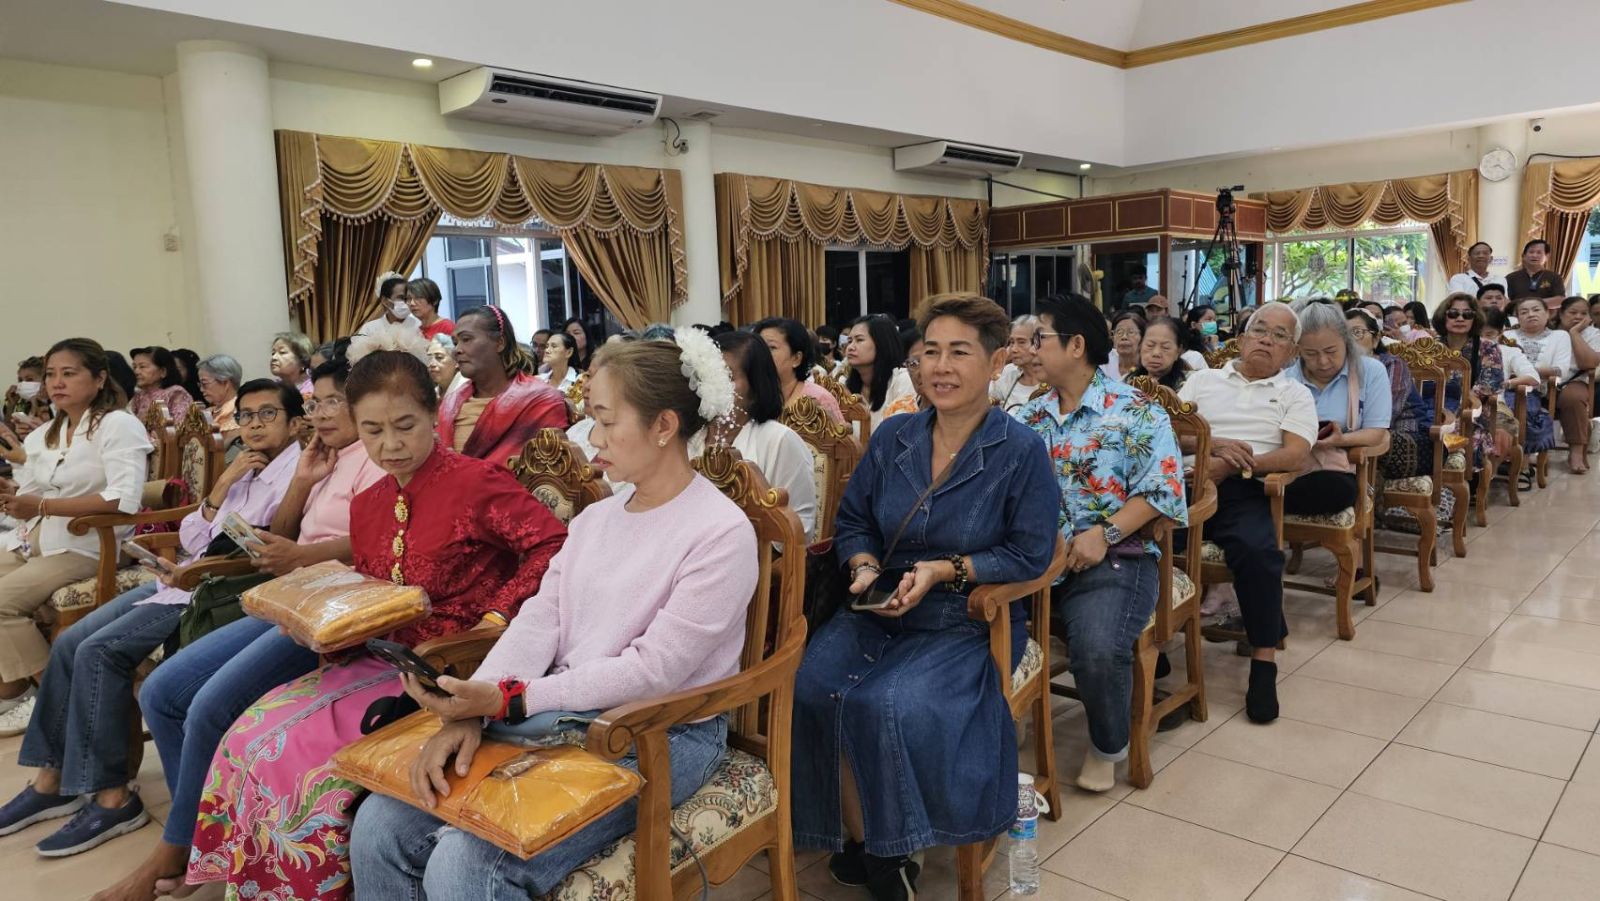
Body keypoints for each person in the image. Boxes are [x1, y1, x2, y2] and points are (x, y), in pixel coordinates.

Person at [349, 333, 756, 899]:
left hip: (659, 732)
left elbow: (654, 672)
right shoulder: (596, 519)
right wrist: (473, 709)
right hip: (560, 716)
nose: (593, 439)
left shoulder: (721, 533)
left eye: (606, 421)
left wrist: (511, 701)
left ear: (664, 425)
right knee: (379, 826)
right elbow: (541, 619)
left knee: (469, 865)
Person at [182, 340, 568, 901]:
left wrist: (497, 614)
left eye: (405, 426)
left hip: (456, 668)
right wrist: (322, 621)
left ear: (434, 414)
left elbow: (553, 545)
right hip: (379, 659)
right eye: (372, 431)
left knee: (296, 762)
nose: (390, 445)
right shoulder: (370, 504)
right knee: (246, 737)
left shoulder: (476, 483)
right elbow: (373, 589)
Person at [88, 344, 387, 901]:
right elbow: (284, 535)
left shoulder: (377, 456)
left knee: (207, 705)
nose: (322, 414)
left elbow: (375, 544)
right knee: (162, 691)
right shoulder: (321, 455)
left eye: (334, 402)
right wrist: (303, 480)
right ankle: (199, 835)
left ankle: (179, 848)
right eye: (317, 403)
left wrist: (299, 555)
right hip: (288, 594)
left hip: (334, 607)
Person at [792, 293, 1058, 900]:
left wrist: (945, 570)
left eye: (959, 352)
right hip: (879, 604)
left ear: (995, 363)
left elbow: (1032, 553)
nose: (940, 367)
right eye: (929, 352)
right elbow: (855, 520)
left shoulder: (1019, 450)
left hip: (964, 616)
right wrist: (864, 566)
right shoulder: (895, 437)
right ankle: (871, 841)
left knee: (887, 701)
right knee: (812, 687)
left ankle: (889, 850)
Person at [0, 379, 302, 851]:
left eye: (268, 414)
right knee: (68, 642)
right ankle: (52, 779)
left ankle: (113, 797)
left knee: (100, 651)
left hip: (213, 589)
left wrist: (192, 567)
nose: (254, 425)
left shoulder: (296, 472)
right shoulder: (245, 467)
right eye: (246, 416)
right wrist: (224, 483)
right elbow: (193, 535)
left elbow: (256, 547)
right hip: (180, 577)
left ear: (295, 422)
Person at [1017, 294, 1186, 792]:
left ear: (1075, 345)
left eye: (1040, 338)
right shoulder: (1029, 417)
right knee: (968, 615)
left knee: (1095, 648)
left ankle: (1107, 744)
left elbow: (1162, 490)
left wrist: (1104, 533)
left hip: (1115, 556)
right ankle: (1012, 710)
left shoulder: (1135, 411)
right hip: (1039, 558)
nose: (1029, 349)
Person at [1178, 303, 1318, 723]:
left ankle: (1263, 663)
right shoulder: (1202, 379)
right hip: (1184, 484)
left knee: (1258, 553)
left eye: (1279, 336)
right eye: (1259, 330)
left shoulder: (1294, 393)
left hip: (1246, 487)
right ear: (1241, 338)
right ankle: (1151, 647)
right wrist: (1215, 445)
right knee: (1139, 540)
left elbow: (1295, 454)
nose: (1266, 340)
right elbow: (1170, 430)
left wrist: (1235, 465)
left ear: (1291, 353)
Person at [0, 340, 151, 723]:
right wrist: (13, 495)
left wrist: (42, 507)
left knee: (1, 603)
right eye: (51, 374)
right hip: (41, 537)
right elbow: (37, 491)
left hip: (89, 544)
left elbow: (123, 499)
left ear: (99, 379)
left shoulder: (117, 425)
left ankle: (58, 703)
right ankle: (19, 690)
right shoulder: (48, 433)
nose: (56, 382)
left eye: (69, 373)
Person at [691, 330, 817, 540]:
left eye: (728, 377)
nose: (715, 385)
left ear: (756, 386)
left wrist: (760, 499)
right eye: (710, 375)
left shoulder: (779, 440)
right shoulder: (688, 437)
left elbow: (800, 531)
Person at [1285, 299, 1393, 509]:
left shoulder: (1371, 371)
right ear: (1298, 349)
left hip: (1339, 469)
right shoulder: (1287, 379)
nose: (1323, 361)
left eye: (1331, 351)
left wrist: (1340, 439)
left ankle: (1264, 503)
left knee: (1335, 488)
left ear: (1346, 341)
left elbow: (1376, 432)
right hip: (1292, 465)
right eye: (1311, 354)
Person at [438, 306, 568, 467]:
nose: (456, 350)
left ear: (500, 343)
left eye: (466, 339)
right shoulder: (450, 403)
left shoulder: (541, 401)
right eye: (455, 343)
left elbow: (548, 473)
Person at [1349, 309, 1431, 480]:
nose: (1349, 340)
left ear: (1376, 339)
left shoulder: (1392, 364)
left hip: (1406, 438)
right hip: (1359, 435)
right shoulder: (1338, 369)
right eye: (1343, 334)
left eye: (1357, 333)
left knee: (1372, 440)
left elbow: (1386, 415)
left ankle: (1365, 487)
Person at [1433, 293, 1513, 467]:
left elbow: (1489, 384)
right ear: (1443, 317)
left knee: (1452, 431)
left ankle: (1455, 474)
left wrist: (1458, 403)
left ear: (1474, 319)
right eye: (1453, 313)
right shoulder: (1432, 346)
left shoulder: (1487, 346)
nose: (1460, 318)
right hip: (1433, 405)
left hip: (1471, 409)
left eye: (1467, 314)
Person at [1507, 295, 1582, 472]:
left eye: (1536, 310)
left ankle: (1521, 464)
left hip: (1538, 390)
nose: (1530, 314)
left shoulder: (1559, 336)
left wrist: (1526, 373)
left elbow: (1560, 370)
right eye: (1524, 312)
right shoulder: (1507, 335)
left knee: (1523, 406)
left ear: (1548, 314)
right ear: (1517, 317)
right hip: (1507, 386)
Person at [751, 317, 844, 423]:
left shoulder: (819, 398)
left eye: (772, 347)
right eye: (759, 347)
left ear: (796, 358)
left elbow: (840, 433)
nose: (761, 353)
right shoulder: (748, 396)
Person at [844, 315, 913, 428]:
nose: (850, 347)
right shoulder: (844, 385)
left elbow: (900, 431)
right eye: (849, 341)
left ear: (881, 343)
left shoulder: (902, 380)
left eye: (859, 340)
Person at [991, 315, 1048, 412]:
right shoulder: (1008, 373)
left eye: (1021, 342)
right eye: (1012, 342)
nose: (1014, 349)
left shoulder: (1053, 381)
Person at [128, 346, 194, 423]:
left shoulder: (176, 393)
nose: (136, 372)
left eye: (142, 367)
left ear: (163, 371)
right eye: (134, 367)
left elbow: (180, 425)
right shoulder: (139, 396)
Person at [1132, 316, 1195, 391]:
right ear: (1140, 346)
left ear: (1178, 351)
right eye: (1150, 345)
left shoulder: (1191, 383)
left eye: (1165, 347)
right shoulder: (1128, 381)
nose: (1156, 353)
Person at [195, 355, 241, 443]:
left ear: (225, 383)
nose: (201, 389)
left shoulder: (238, 412)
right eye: (200, 385)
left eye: (204, 384)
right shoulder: (209, 411)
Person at [359, 272, 423, 336]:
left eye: (409, 298)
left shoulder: (420, 327)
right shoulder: (369, 329)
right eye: (401, 298)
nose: (407, 302)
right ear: (385, 301)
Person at [269, 331, 315, 398]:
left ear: (302, 360)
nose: (274, 357)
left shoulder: (315, 388)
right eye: (273, 353)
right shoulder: (271, 388)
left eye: (282, 352)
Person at [1103, 310, 1145, 381]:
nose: (1124, 337)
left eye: (1131, 332)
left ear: (1142, 338)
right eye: (1119, 332)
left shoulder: (1147, 367)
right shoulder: (1104, 362)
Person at [425, 333, 462, 398]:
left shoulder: (467, 391)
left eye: (439, 357)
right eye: (429, 358)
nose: (432, 364)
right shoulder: (432, 394)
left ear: (457, 361)